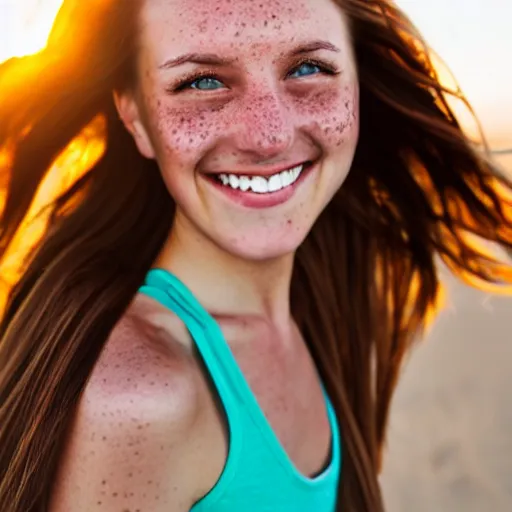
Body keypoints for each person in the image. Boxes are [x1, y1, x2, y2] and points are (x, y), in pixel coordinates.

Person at [0, 0, 511, 510]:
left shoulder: (327, 296)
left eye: (309, 67)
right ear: (134, 113)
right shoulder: (140, 394)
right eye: (202, 81)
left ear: (356, 85)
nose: (268, 136)